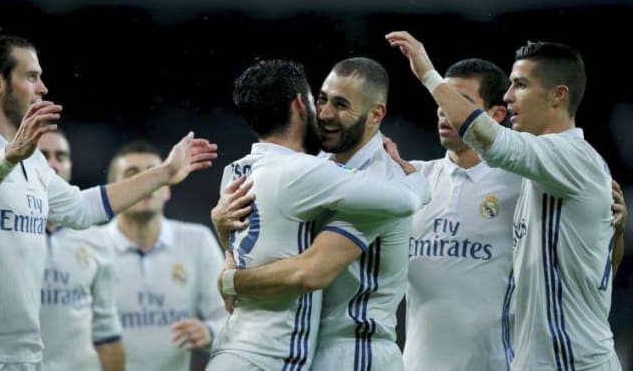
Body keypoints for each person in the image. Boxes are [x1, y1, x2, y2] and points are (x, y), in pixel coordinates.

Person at [0, 34, 216, 371]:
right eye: (31, 76)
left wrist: (164, 173)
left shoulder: (32, 161)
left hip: (26, 354)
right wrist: (7, 158)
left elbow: (81, 209)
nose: (42, 87)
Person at [386, 31, 624, 370]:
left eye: (521, 85)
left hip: (571, 363)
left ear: (558, 95)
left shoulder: (571, 157)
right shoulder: (539, 174)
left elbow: (490, 139)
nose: (510, 97)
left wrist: (427, 73)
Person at [206, 59, 429, 371]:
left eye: (341, 105)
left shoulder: (383, 182)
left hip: (353, 350)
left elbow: (311, 271)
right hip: (301, 347)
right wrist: (221, 226)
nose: (324, 114)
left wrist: (231, 281)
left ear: (375, 115)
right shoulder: (315, 167)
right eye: (322, 99)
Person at [401, 58, 520, 370]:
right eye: (441, 99)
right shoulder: (414, 179)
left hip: (494, 363)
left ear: (496, 115)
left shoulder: (520, 187)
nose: (444, 109)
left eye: (459, 101)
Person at [101, 140, 227, 371]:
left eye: (154, 175)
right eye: (132, 175)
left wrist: (209, 331)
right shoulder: (92, 246)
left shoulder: (196, 241)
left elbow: (231, 320)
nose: (146, 184)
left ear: (167, 188)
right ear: (114, 191)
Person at [38, 130, 124, 371]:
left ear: (70, 167)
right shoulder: (5, 230)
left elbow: (107, 332)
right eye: (43, 156)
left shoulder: (97, 238)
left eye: (61, 156)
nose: (53, 164)